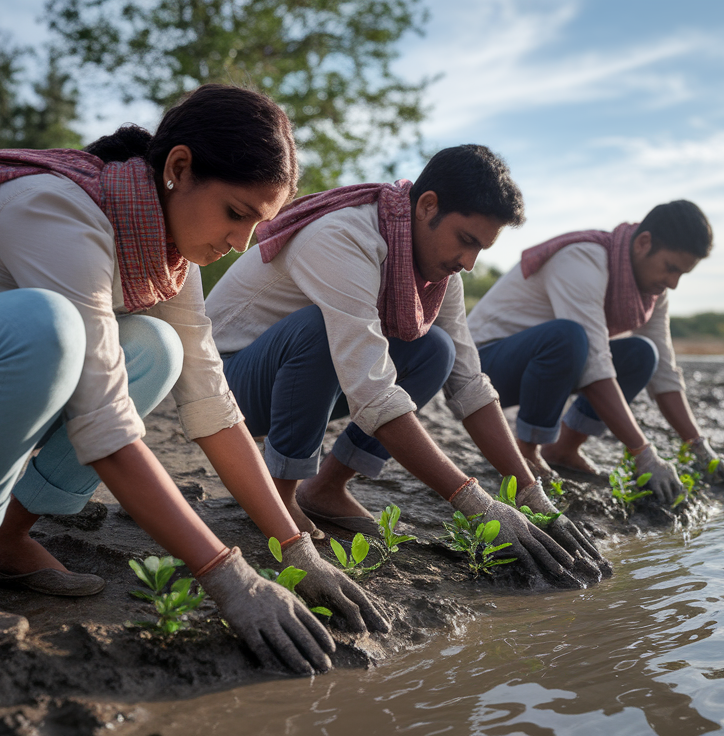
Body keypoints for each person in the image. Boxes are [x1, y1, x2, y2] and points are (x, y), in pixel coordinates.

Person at [0, 84, 387, 674]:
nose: (239, 242)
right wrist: (226, 574)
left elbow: (211, 401)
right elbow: (107, 426)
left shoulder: (168, 251)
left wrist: (293, 548)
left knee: (156, 347)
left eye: (257, 225)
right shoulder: (58, 207)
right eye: (235, 213)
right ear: (178, 167)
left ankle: (3, 540)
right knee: (46, 326)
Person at [205, 145, 608, 584]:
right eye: (467, 241)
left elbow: (468, 382)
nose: (469, 264)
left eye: (482, 248)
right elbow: (372, 389)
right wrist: (477, 503)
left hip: (302, 380)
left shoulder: (435, 268)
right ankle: (280, 496)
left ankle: (326, 487)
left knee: (436, 349)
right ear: (427, 206)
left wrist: (532, 496)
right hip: (227, 387)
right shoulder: (343, 236)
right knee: (322, 328)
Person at [467, 200, 724, 506]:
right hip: (482, 368)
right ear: (644, 243)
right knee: (569, 337)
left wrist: (700, 448)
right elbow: (594, 363)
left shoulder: (652, 293)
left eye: (682, 274)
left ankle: (563, 449)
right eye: (671, 268)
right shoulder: (582, 258)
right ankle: (526, 450)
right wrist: (644, 453)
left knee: (642, 353)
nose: (673, 282)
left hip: (544, 364)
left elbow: (665, 373)